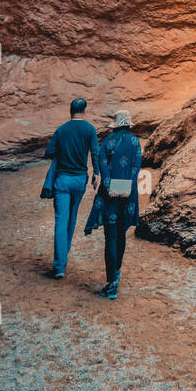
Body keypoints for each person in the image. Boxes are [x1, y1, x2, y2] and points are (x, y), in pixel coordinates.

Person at [84, 110, 142, 299]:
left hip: (110, 195)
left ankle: (111, 283)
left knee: (110, 237)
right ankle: (116, 275)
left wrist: (109, 185)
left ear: (116, 125)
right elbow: (136, 166)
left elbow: (101, 164)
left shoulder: (108, 141)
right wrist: (129, 185)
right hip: (128, 194)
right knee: (121, 234)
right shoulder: (135, 142)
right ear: (128, 125)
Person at [44, 97, 100, 279]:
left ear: (70, 110)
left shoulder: (61, 130)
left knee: (61, 220)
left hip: (62, 180)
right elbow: (95, 153)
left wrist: (63, 153)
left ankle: (59, 266)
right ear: (84, 111)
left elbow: (49, 152)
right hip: (79, 180)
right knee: (72, 216)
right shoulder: (90, 129)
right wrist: (96, 173)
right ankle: (64, 254)